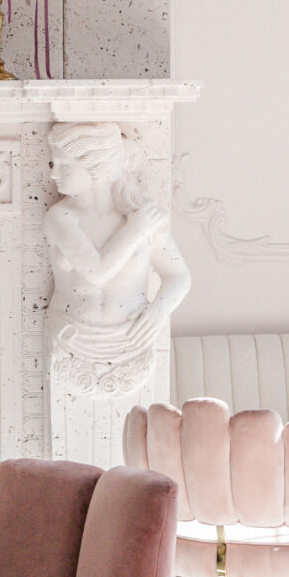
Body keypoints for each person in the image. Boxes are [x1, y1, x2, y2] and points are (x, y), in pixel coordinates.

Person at [46, 123, 190, 389]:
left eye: (64, 165)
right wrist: (135, 230)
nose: (54, 175)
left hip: (132, 339)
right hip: (73, 337)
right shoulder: (61, 217)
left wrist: (158, 312)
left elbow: (178, 275)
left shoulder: (140, 215)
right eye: (53, 164)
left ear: (96, 166)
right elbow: (95, 273)